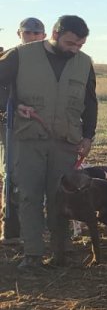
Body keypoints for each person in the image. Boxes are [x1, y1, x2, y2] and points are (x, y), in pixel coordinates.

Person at [0, 15, 98, 270]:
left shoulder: (84, 63)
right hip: (28, 139)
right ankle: (33, 254)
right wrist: (12, 105)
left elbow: (90, 103)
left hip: (66, 142)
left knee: (61, 197)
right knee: (29, 196)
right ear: (54, 34)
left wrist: (88, 136)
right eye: (70, 43)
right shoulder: (20, 55)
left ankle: (60, 252)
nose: (74, 49)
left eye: (80, 45)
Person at [2, 17, 46, 244]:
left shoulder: (49, 59)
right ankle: (12, 229)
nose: (32, 37)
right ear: (19, 34)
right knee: (13, 173)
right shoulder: (12, 56)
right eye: (28, 33)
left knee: (39, 173)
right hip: (13, 124)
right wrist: (12, 105)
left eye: (37, 33)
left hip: (41, 125)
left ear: (44, 36)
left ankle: (37, 225)